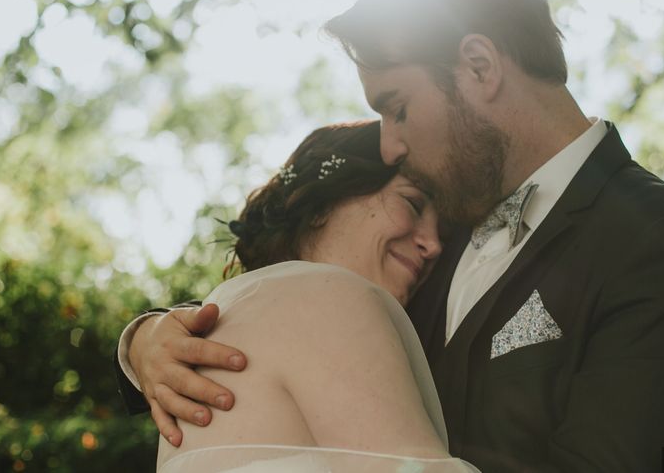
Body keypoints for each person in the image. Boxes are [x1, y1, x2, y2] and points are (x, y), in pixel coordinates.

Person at [115, 0, 664, 472]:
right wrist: (146, 342)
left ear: (478, 66)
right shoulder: (427, 237)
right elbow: (296, 329)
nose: (389, 146)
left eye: (397, 108)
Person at [153, 120, 478, 472]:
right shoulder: (332, 297)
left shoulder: (230, 317)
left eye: (442, 230)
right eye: (412, 204)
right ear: (325, 202)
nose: (434, 244)